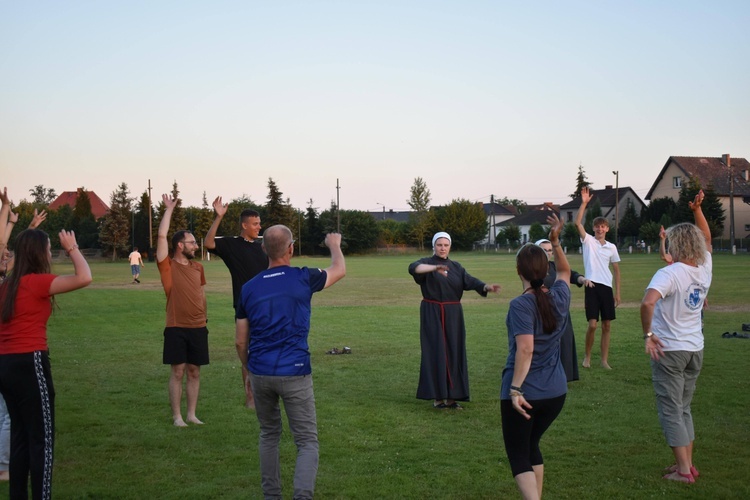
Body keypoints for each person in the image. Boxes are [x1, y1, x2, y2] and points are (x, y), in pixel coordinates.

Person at [235, 225, 345, 500]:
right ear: (291, 249)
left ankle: (271, 496)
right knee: (306, 441)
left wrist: (248, 372)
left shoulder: (248, 288)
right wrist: (333, 245)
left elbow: (240, 341)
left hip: (260, 372)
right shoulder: (302, 277)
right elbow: (339, 270)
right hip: (295, 372)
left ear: (263, 250)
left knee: (269, 435)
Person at [0, 187, 93, 499]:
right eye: (50, 249)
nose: (52, 253)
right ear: (38, 254)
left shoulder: (7, 286)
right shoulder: (36, 283)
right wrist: (73, 248)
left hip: (5, 365)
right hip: (31, 362)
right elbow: (84, 277)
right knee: (42, 438)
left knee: (21, 437)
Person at [640, 190, 711, 484]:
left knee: (671, 410)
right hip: (695, 348)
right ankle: (687, 464)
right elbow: (706, 237)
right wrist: (697, 210)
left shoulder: (668, 274)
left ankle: (684, 472)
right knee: (684, 408)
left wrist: (648, 334)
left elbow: (647, 302)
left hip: (670, 350)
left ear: (676, 244)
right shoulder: (705, 268)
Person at [501, 214, 570, 500]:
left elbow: (525, 349)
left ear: (519, 269)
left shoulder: (521, 304)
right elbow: (565, 272)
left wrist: (515, 389)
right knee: (532, 446)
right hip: (556, 393)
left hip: (527, 393)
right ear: (546, 269)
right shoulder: (560, 294)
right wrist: (556, 241)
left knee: (518, 455)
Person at [408, 232, 501, 409]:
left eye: (446, 245)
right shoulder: (425, 263)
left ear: (450, 246)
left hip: (453, 315)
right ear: (434, 246)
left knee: (454, 352)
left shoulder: (456, 267)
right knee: (436, 352)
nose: (442, 248)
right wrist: (434, 268)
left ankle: (452, 397)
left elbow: (470, 281)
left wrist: (486, 287)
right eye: (439, 245)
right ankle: (438, 398)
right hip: (432, 312)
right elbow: (414, 268)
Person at [205, 196, 268, 408]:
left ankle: (266, 394)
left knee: (266, 348)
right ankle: (250, 397)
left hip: (267, 306)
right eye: (255, 224)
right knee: (247, 350)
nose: (259, 227)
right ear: (244, 225)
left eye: (259, 223)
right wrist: (218, 217)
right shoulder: (232, 245)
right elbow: (208, 243)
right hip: (245, 306)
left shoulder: (263, 248)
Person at [156, 194, 208, 427]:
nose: (196, 246)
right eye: (192, 242)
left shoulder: (198, 267)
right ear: (180, 245)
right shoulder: (167, 266)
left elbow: (202, 294)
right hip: (176, 326)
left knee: (194, 371)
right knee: (178, 371)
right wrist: (168, 210)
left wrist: (204, 318)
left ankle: (191, 415)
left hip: (198, 326)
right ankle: (177, 416)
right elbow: (160, 236)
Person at [575, 187, 621, 369]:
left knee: (607, 325)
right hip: (592, 285)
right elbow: (578, 224)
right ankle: (587, 357)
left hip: (607, 288)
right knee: (593, 325)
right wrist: (584, 203)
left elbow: (616, 270)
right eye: (597, 226)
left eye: (603, 226)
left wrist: (618, 294)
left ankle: (604, 360)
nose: (600, 229)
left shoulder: (612, 247)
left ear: (607, 229)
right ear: (593, 228)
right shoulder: (588, 241)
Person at [535, 238, 592, 382]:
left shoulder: (554, 266)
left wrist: (581, 279)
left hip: (560, 312)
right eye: (544, 250)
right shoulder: (533, 269)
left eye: (549, 250)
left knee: (565, 342)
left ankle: (565, 374)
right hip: (544, 313)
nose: (547, 253)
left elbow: (570, 274)